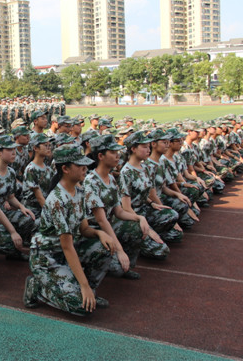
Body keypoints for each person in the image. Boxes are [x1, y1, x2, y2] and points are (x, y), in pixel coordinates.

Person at [24, 144, 116, 315]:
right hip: (47, 257)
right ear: (65, 168)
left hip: (66, 251)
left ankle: (89, 292)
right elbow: (66, 246)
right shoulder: (57, 200)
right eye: (79, 165)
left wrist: (100, 233)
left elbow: (84, 229)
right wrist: (84, 285)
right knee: (80, 308)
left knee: (105, 247)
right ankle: (37, 287)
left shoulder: (79, 192)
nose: (85, 168)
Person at [84, 134, 151, 279]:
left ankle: (127, 265)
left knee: (137, 226)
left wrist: (139, 217)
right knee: (116, 267)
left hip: (108, 226)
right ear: (101, 156)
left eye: (118, 152)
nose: (117, 156)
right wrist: (120, 250)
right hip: (93, 230)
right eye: (113, 153)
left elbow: (119, 211)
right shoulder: (92, 181)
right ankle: (91, 275)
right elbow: (101, 220)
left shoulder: (111, 179)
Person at [119, 131, 178, 258]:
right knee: (161, 252)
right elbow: (126, 207)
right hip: (133, 215)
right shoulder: (126, 172)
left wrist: (152, 203)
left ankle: (148, 237)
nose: (148, 150)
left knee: (172, 214)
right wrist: (148, 229)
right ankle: (138, 241)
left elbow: (144, 194)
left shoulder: (145, 167)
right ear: (133, 149)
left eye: (148, 147)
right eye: (144, 147)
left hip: (145, 209)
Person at [0, 135, 36, 260]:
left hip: (1, 211)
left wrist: (22, 207)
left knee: (28, 219)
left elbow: (11, 197)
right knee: (8, 241)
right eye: (9, 150)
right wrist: (13, 232)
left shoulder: (10, 172)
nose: (14, 152)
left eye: (14, 149)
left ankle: (14, 252)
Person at [22, 133, 54, 219]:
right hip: (33, 209)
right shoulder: (31, 169)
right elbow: (39, 197)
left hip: (45, 206)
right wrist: (53, 215)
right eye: (45, 145)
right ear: (35, 148)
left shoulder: (48, 169)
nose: (48, 147)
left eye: (49, 145)